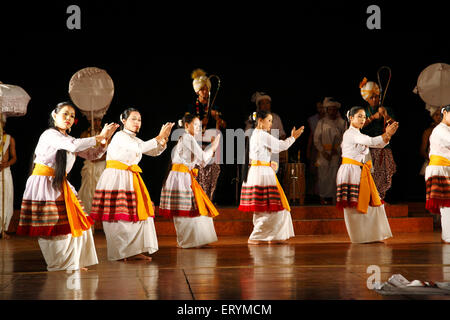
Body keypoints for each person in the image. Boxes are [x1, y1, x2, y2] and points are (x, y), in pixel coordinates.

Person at [16, 102, 118, 271]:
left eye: (72, 116)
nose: (69, 118)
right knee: (53, 226)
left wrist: (104, 139)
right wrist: (98, 136)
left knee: (75, 220)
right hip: (44, 184)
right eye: (65, 114)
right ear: (54, 115)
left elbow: (94, 155)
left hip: (59, 183)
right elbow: (74, 145)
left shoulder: (68, 139)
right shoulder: (49, 134)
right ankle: (60, 264)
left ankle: (72, 262)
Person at [90, 108, 174, 261]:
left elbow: (153, 151)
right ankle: (119, 253)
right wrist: (158, 137)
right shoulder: (120, 136)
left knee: (136, 216)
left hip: (129, 178)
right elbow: (140, 148)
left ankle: (133, 250)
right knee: (119, 218)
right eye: (133, 119)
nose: (137, 122)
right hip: (116, 178)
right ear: (124, 120)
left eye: (139, 120)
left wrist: (163, 140)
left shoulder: (134, 139)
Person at [239, 110, 304, 244]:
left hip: (258, 171)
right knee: (273, 207)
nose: (271, 123)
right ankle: (259, 236)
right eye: (269, 120)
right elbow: (281, 146)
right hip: (262, 173)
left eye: (271, 121)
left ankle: (267, 236)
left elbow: (268, 151)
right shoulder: (261, 135)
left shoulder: (254, 134)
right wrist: (293, 137)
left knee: (263, 207)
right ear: (260, 121)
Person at [336, 106, 399, 244]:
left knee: (372, 204)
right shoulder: (350, 134)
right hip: (351, 171)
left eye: (364, 117)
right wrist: (386, 134)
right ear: (351, 118)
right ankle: (359, 237)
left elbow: (378, 144)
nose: (363, 119)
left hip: (360, 171)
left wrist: (387, 135)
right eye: (359, 116)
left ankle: (371, 235)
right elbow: (371, 142)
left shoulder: (359, 134)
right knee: (354, 206)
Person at [159, 113, 221, 248]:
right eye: (196, 125)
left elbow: (202, 162)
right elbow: (204, 158)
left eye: (200, 125)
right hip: (180, 177)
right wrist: (214, 147)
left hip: (183, 176)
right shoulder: (187, 137)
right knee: (183, 211)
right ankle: (187, 241)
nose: (199, 128)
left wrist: (211, 149)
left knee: (194, 208)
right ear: (187, 125)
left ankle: (195, 240)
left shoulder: (188, 138)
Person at [187, 69, 225, 202]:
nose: (205, 91)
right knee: (198, 170)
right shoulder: (192, 107)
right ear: (197, 91)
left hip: (211, 143)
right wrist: (201, 122)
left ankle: (210, 198)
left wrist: (219, 121)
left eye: (206, 89)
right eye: (202, 89)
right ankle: (196, 198)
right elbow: (186, 123)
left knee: (214, 170)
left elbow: (223, 124)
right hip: (197, 143)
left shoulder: (214, 105)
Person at [359, 77, 396, 201]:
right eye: (371, 97)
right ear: (366, 99)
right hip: (368, 148)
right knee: (369, 174)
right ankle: (370, 198)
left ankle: (380, 198)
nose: (374, 99)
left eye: (376, 96)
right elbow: (357, 127)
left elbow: (395, 125)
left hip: (384, 147)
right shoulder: (363, 111)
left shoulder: (387, 110)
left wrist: (386, 115)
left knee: (385, 173)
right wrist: (373, 118)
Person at [313, 97, 346, 205]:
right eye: (330, 109)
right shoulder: (321, 123)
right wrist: (323, 151)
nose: (332, 112)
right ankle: (323, 199)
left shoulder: (342, 123)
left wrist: (337, 150)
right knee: (323, 177)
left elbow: (344, 138)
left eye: (334, 109)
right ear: (327, 110)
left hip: (336, 154)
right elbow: (316, 139)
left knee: (334, 176)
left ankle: (334, 199)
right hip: (323, 155)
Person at [425, 105, 450, 243]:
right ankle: (447, 235)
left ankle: (447, 235)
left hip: (445, 169)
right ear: (445, 113)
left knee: (448, 205)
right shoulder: (440, 130)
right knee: (447, 205)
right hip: (440, 169)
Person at [78, 117, 107, 221]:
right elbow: (81, 149)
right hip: (89, 164)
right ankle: (87, 217)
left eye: (99, 120)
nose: (97, 122)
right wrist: (91, 157)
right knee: (87, 188)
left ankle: (103, 219)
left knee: (100, 188)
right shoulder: (85, 134)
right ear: (90, 120)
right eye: (94, 120)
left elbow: (109, 150)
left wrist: (98, 157)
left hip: (101, 165)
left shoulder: (105, 134)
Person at [306, 99, 327, 201]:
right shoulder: (314, 119)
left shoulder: (332, 118)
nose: (320, 109)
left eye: (322, 107)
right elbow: (311, 135)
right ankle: (316, 195)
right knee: (315, 172)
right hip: (316, 148)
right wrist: (308, 150)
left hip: (328, 147)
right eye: (318, 107)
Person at [0, 115, 17, 239]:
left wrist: (6, 164)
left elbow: (14, 157)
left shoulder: (9, 139)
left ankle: (3, 229)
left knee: (6, 199)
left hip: (5, 172)